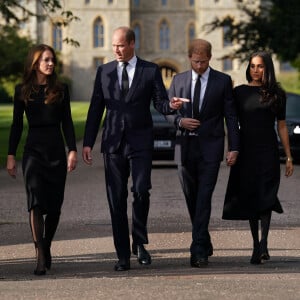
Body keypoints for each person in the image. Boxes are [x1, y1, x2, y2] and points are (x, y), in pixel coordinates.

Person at [82, 26, 183, 271]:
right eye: (114, 46)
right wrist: (87, 141)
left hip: (140, 142)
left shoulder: (150, 70)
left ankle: (139, 242)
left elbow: (160, 102)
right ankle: (122, 255)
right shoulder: (104, 71)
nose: (116, 49)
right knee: (116, 199)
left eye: (120, 45)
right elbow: (96, 108)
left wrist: (172, 105)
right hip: (113, 143)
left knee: (141, 191)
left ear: (131, 44)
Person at [166, 39, 240, 267]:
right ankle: (204, 239)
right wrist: (179, 120)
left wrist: (234, 146)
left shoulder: (223, 81)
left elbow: (231, 116)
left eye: (204, 61)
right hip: (184, 148)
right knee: (192, 197)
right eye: (196, 61)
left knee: (204, 197)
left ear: (210, 57)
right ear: (189, 58)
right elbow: (167, 110)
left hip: (211, 148)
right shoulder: (177, 80)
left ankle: (197, 249)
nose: (200, 66)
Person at [6, 44, 77, 275]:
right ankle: (39, 256)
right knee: (35, 201)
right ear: (35, 62)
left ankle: (46, 245)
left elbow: (67, 121)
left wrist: (72, 150)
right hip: (33, 152)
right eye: (46, 60)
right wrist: (10, 155)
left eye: (52, 60)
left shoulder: (61, 90)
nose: (50, 63)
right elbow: (17, 126)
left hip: (55, 151)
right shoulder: (22, 91)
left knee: (55, 208)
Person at [222, 51, 294, 264]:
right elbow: (231, 122)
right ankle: (256, 245)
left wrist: (288, 157)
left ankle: (264, 243)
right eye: (252, 66)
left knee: (266, 195)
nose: (255, 70)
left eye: (260, 66)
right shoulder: (239, 92)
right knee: (252, 196)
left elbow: (281, 126)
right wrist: (232, 149)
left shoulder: (277, 94)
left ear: (267, 68)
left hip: (268, 151)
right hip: (246, 151)